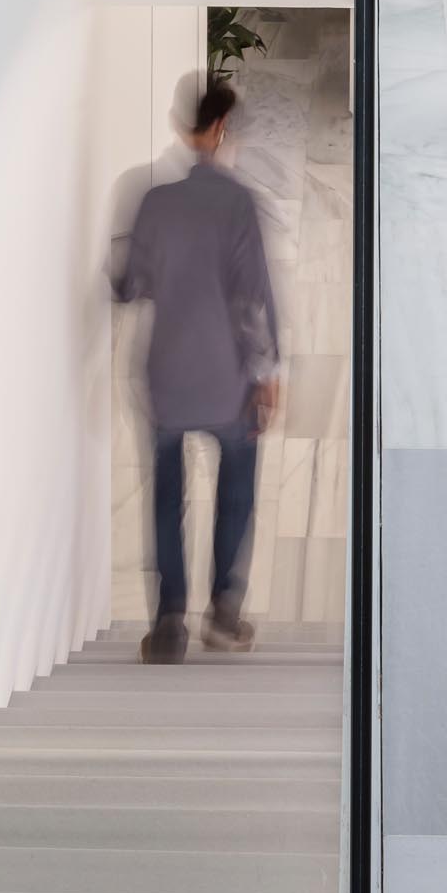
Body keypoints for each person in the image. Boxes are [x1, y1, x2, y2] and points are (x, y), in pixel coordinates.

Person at [111, 75, 280, 662]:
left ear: (187, 130)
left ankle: (168, 624)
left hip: (166, 373)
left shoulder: (153, 201)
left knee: (166, 494)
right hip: (225, 374)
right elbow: (252, 297)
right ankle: (223, 614)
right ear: (220, 129)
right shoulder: (237, 204)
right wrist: (266, 372)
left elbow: (128, 286)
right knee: (237, 488)